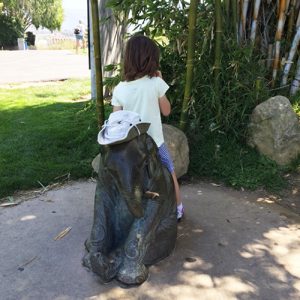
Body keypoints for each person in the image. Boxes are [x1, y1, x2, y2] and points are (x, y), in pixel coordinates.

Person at [111, 35, 184, 221]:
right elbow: (166, 111)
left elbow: (116, 119)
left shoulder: (119, 88)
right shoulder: (156, 83)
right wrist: (161, 83)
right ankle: (178, 209)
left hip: (131, 148)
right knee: (169, 171)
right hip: (156, 144)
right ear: (150, 59)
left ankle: (134, 213)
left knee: (134, 181)